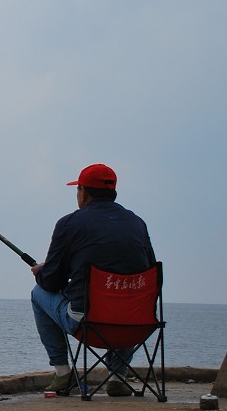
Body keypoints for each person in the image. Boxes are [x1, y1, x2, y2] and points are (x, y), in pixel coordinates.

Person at [30, 163, 156, 396]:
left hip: (88, 325)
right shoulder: (138, 223)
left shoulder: (69, 223)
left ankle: (62, 373)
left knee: (38, 294)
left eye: (77, 190)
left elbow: (51, 283)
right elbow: (148, 271)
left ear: (83, 192)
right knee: (126, 302)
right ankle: (117, 375)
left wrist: (41, 272)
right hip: (138, 324)